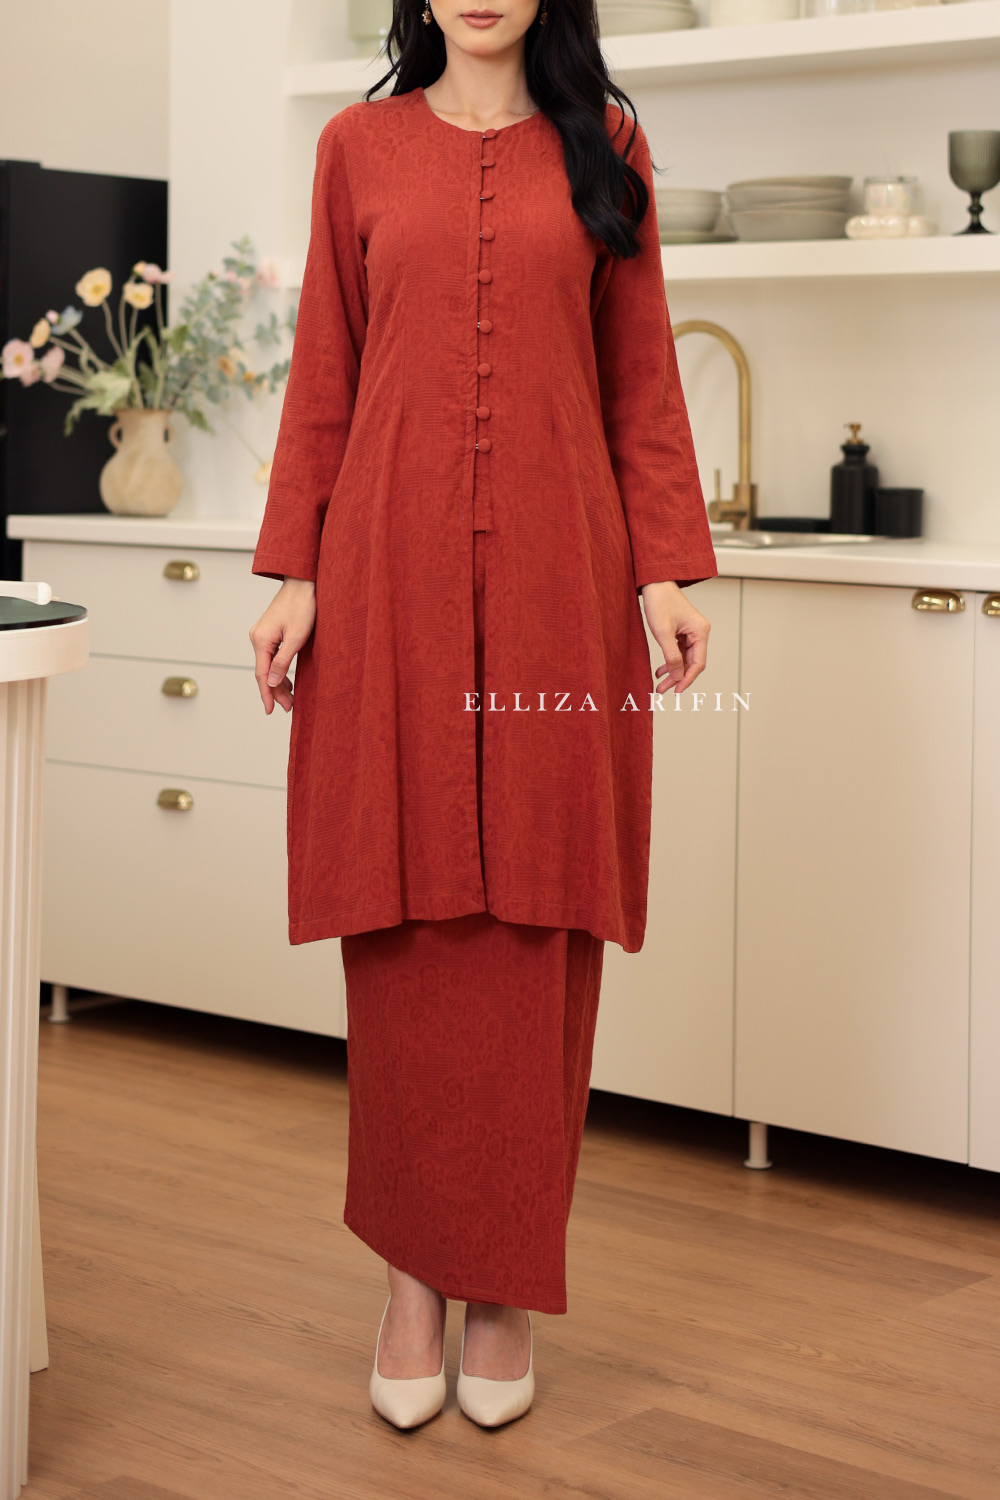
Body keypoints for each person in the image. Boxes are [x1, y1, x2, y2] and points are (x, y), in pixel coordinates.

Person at [248, 0, 717, 1433]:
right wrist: (293, 574)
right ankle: (410, 1284)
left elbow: (643, 379)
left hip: (561, 585)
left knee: (535, 929)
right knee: (401, 926)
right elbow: (323, 373)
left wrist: (666, 571)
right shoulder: (356, 148)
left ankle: (503, 1288)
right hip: (383, 581)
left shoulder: (607, 145)